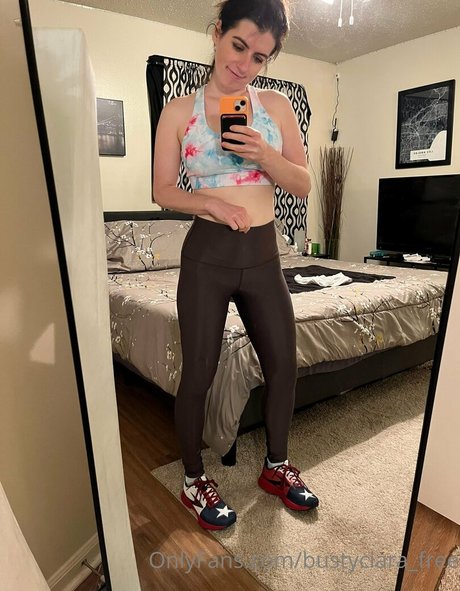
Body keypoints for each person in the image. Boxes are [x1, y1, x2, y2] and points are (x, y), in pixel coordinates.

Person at [153, 0, 319, 531]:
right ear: (217, 33)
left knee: (284, 365)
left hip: (264, 256)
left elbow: (303, 183)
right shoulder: (178, 112)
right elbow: (162, 190)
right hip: (208, 256)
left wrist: (265, 155)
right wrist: (211, 204)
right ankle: (193, 480)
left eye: (260, 57)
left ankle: (275, 466)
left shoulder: (276, 107)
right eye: (238, 46)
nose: (244, 64)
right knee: (199, 372)